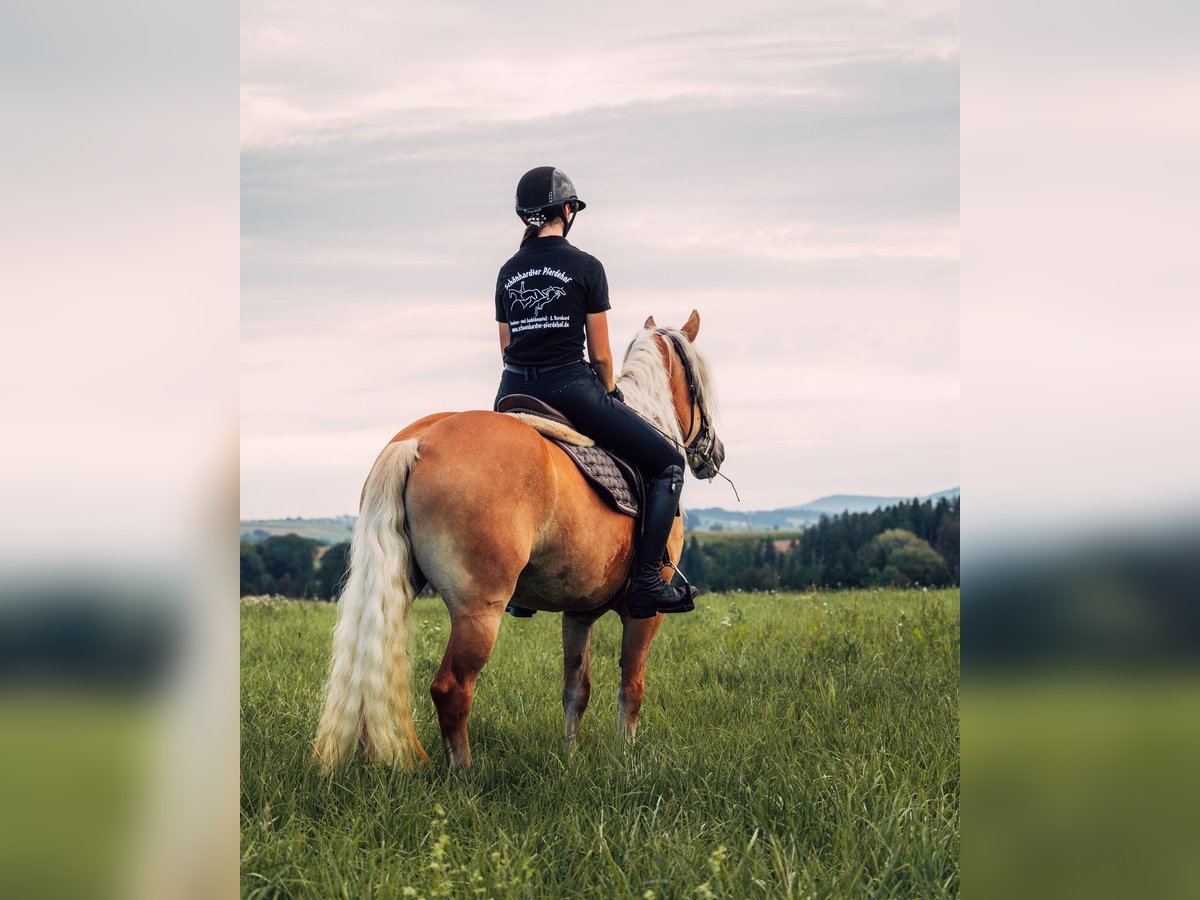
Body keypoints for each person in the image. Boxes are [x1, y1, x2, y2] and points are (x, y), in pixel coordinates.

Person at [493, 166, 698, 619]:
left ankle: (515, 589)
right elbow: (603, 356)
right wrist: (609, 395)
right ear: (567, 211)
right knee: (668, 462)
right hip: (570, 390)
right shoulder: (586, 267)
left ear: (526, 216)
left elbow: (506, 348)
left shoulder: (507, 272)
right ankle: (646, 581)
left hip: (511, 395)